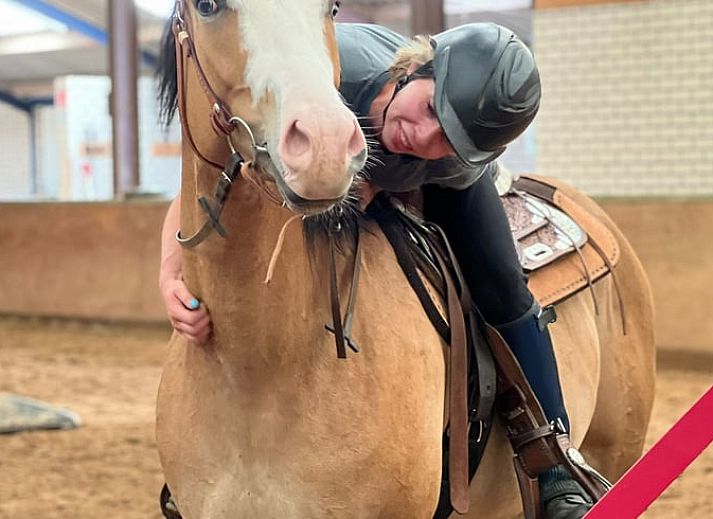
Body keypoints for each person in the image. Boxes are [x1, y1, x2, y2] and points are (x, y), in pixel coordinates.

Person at [160, 22, 595, 518]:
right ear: (412, 69)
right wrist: (170, 276)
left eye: (447, 139)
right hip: (311, 161)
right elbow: (210, 172)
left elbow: (429, 154)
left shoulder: (451, 163)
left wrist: (393, 183)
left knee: (504, 290)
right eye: (431, 109)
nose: (423, 136)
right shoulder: (334, 64)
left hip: (431, 187)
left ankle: (555, 465)